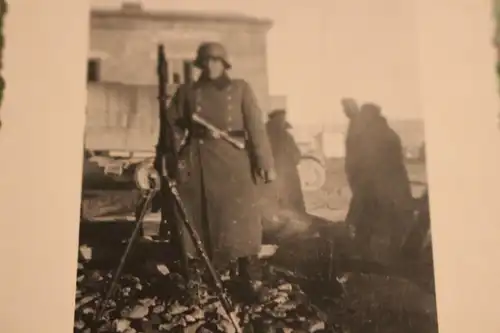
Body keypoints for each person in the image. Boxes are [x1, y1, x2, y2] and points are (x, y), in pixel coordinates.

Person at [156, 41, 276, 296]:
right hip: (197, 159)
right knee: (192, 216)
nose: (211, 66)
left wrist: (264, 161)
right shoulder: (188, 91)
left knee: (243, 219)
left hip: (234, 161)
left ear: (224, 64)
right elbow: (172, 125)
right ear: (200, 64)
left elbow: (256, 127)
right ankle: (195, 276)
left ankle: (249, 277)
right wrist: (172, 156)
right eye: (207, 61)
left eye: (216, 61)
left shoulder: (241, 89)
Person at [342, 101, 414, 262]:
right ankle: (385, 253)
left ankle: (373, 256)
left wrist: (360, 182)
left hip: (378, 187)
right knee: (387, 221)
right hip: (389, 186)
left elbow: (366, 163)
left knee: (373, 220)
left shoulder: (372, 135)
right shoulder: (387, 132)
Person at [265, 109, 306, 213]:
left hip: (272, 174)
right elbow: (297, 156)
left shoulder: (264, 136)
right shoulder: (286, 137)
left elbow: (296, 155)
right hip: (283, 174)